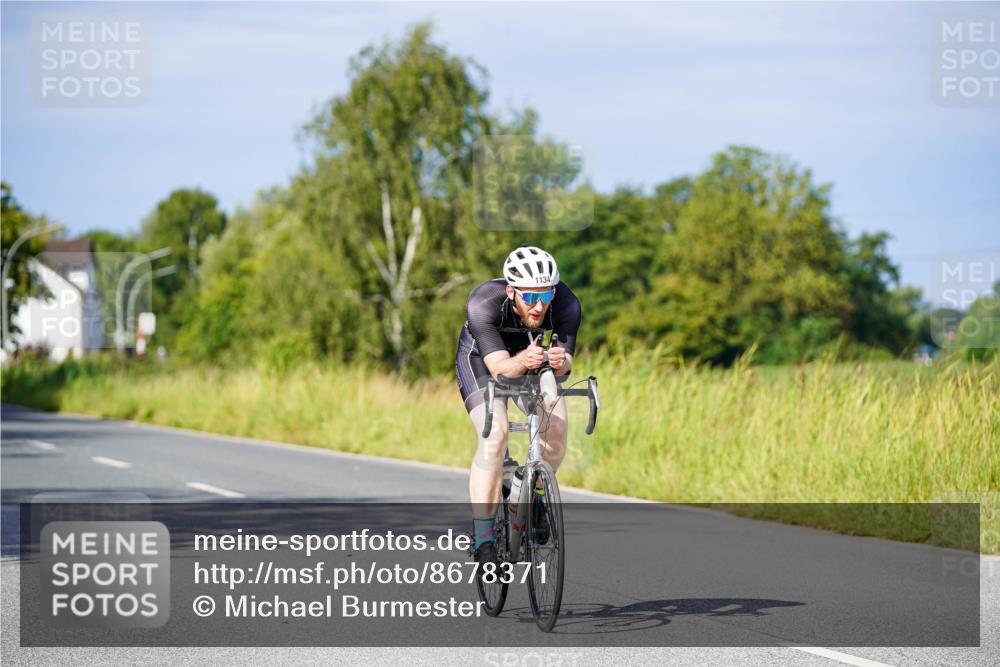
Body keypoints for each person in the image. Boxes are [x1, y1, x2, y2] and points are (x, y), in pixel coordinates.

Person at [454, 245, 581, 567]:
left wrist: (559, 360)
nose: (539, 307)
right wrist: (525, 360)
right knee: (494, 436)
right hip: (484, 360)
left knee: (557, 431)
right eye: (529, 297)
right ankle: (483, 540)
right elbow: (499, 369)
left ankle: (529, 494)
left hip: (532, 356)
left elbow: (566, 360)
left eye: (546, 296)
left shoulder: (566, 302)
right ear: (511, 291)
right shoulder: (483, 302)